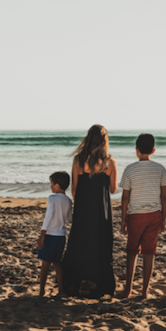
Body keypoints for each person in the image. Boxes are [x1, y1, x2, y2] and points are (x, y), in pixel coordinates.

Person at [61, 125, 118, 297]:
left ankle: (75, 286)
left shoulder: (78, 160)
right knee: (100, 244)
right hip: (102, 212)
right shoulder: (110, 162)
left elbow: (74, 189)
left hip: (83, 209)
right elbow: (114, 189)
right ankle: (99, 287)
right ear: (104, 141)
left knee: (80, 244)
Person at [117, 133, 166, 299]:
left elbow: (125, 197)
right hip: (155, 215)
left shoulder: (130, 169)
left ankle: (128, 290)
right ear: (153, 150)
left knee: (132, 252)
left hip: (136, 215)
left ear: (136, 150)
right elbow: (164, 197)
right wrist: (164, 218)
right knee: (149, 252)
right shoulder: (160, 168)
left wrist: (123, 219)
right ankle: (145, 291)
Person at [36, 171, 73, 297]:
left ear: (57, 185)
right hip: (61, 236)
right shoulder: (68, 201)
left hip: (50, 235)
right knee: (57, 264)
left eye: (51, 184)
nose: (51, 186)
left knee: (45, 264)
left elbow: (48, 217)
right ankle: (61, 291)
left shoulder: (52, 198)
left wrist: (42, 236)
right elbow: (69, 219)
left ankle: (41, 290)